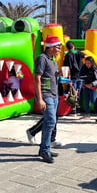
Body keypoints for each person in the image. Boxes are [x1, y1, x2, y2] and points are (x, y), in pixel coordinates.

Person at [34, 35, 62, 163]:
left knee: (51, 121)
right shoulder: (42, 58)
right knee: (50, 121)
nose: (59, 49)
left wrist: (60, 74)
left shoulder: (53, 59)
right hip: (46, 95)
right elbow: (37, 78)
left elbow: (51, 76)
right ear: (50, 47)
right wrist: (40, 99)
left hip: (54, 94)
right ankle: (45, 150)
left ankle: (44, 148)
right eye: (58, 46)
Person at [63, 41, 83, 109]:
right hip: (80, 75)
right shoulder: (79, 52)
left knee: (73, 92)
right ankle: (78, 107)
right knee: (78, 91)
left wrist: (68, 78)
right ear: (73, 46)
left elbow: (67, 67)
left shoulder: (68, 55)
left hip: (73, 76)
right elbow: (85, 56)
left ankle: (73, 108)